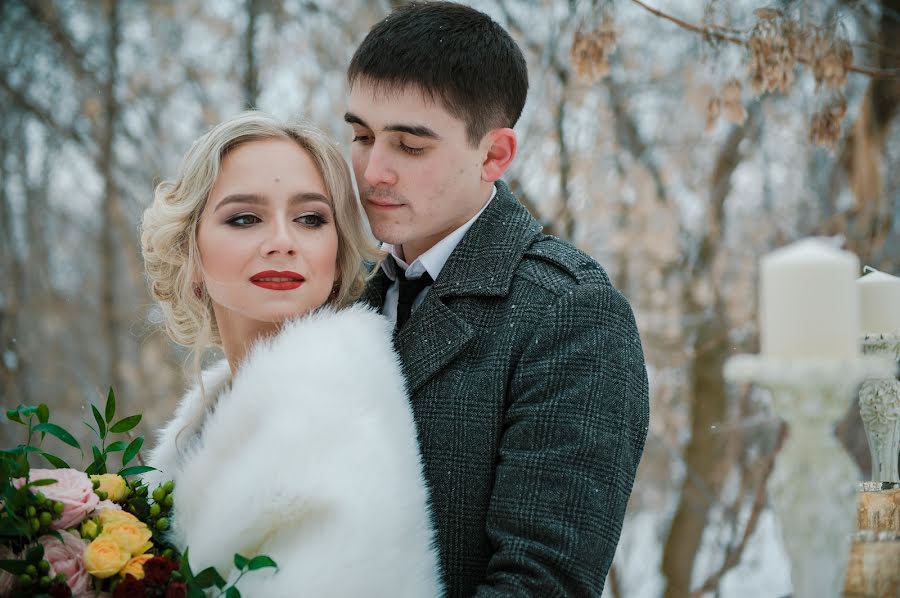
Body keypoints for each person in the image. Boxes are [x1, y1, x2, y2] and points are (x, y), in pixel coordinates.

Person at [346, 2, 650, 595]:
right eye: (360, 135)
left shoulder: (569, 313)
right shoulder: (343, 296)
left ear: (493, 155)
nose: (373, 171)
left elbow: (542, 583)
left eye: (410, 146)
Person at [140, 111, 442, 597]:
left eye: (310, 219)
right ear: (190, 253)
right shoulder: (205, 423)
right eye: (244, 218)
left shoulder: (335, 408)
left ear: (337, 258)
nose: (282, 242)